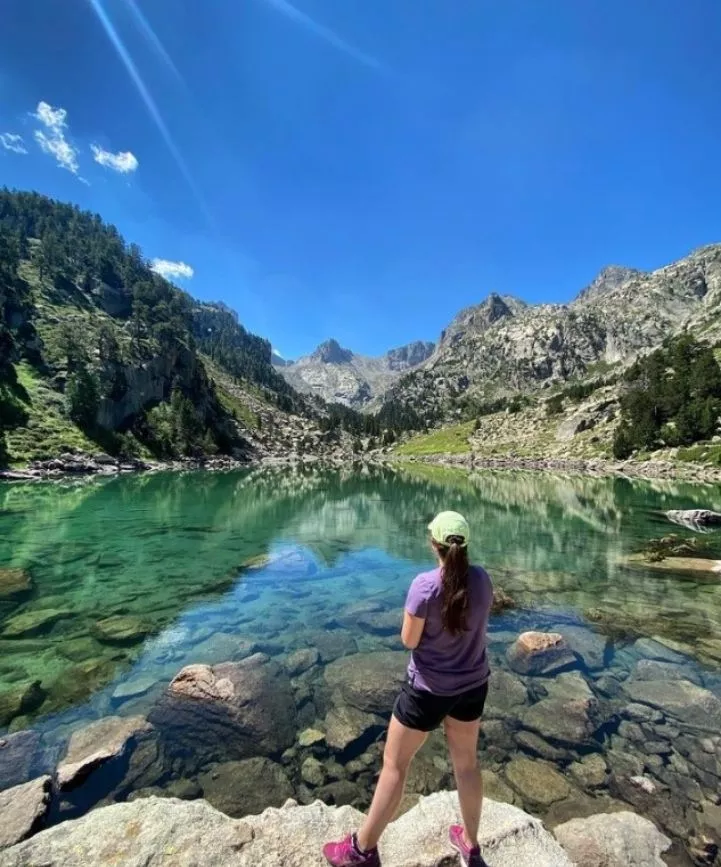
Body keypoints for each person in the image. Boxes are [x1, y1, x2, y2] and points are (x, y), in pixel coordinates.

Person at [323, 510, 493, 867]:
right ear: (466, 544)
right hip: (474, 685)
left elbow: (408, 640)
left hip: (428, 691)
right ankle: (471, 845)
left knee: (395, 765)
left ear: (434, 544)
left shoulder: (424, 586)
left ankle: (361, 850)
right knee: (467, 765)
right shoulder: (482, 580)